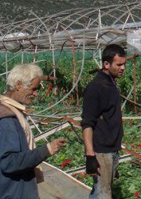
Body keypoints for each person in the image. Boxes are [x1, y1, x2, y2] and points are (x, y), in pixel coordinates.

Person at [0, 63, 67, 199]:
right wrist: (46, 150)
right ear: (18, 85)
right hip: (13, 192)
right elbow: (9, 162)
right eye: (33, 89)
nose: (36, 94)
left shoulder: (12, 111)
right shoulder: (7, 119)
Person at [81, 44, 127, 199]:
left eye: (124, 64)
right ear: (106, 64)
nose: (123, 68)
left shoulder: (111, 83)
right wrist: (90, 156)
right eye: (119, 64)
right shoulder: (96, 87)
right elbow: (87, 124)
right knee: (103, 194)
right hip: (102, 151)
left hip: (111, 150)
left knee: (101, 191)